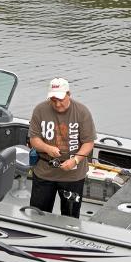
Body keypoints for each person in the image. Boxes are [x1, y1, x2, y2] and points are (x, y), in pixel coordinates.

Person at [28, 77, 97, 218]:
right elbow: (34, 140)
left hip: (73, 175)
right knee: (37, 214)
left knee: (70, 216)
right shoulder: (40, 110)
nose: (57, 104)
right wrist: (48, 148)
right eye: (53, 100)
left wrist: (75, 160)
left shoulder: (82, 112)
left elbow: (89, 142)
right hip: (44, 172)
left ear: (69, 94)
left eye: (61, 99)